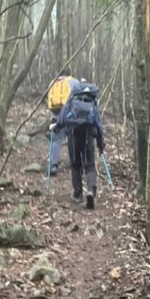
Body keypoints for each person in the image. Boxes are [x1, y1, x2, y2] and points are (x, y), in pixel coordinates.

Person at [51, 81, 105, 210]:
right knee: (90, 166)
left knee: (75, 165)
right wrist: (100, 144)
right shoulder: (92, 102)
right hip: (88, 136)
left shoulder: (72, 98)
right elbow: (98, 124)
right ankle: (91, 191)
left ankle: (78, 194)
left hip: (73, 135)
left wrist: (56, 128)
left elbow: (63, 117)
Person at [46, 71, 78, 173]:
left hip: (56, 114)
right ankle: (75, 162)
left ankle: (54, 164)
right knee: (73, 138)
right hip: (70, 115)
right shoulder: (74, 82)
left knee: (56, 140)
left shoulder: (52, 83)